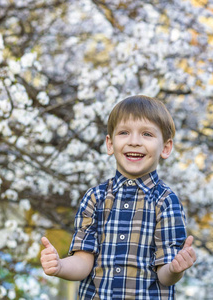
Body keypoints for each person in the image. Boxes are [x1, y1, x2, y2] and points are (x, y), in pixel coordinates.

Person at [40, 95, 196, 299]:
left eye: (147, 134)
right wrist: (59, 266)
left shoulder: (166, 202)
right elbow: (83, 262)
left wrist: (176, 269)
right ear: (110, 143)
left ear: (165, 148)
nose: (134, 142)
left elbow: (165, 274)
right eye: (124, 132)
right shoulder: (95, 198)